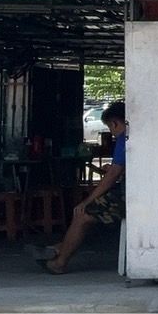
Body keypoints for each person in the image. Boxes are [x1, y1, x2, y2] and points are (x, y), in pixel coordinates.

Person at [40, 100, 127, 274]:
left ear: (115, 123)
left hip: (129, 197)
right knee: (90, 215)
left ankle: (59, 261)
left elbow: (112, 176)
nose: (111, 132)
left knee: (83, 214)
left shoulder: (124, 139)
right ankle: (61, 247)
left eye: (110, 127)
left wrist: (87, 201)